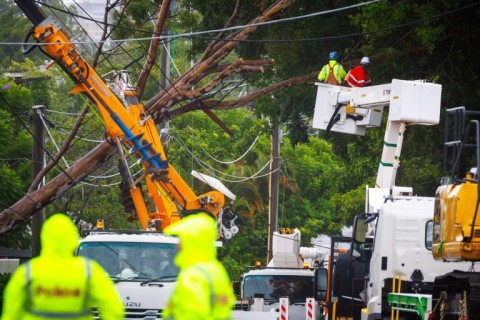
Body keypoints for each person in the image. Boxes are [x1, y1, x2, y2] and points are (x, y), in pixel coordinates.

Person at [1, 214, 125, 320]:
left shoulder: (27, 272)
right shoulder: (88, 271)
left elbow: (11, 314)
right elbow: (114, 310)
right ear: (72, 238)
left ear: (45, 238)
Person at [163, 213, 235, 320]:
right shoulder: (216, 270)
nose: (178, 244)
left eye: (182, 238)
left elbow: (192, 315)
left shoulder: (193, 276)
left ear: (192, 240)